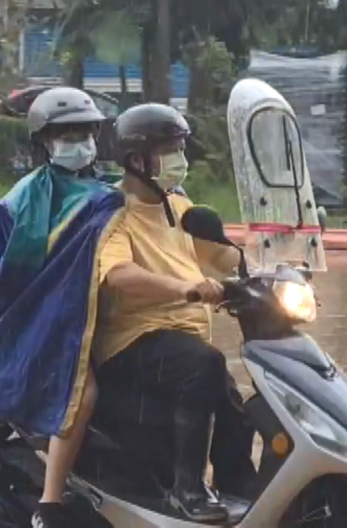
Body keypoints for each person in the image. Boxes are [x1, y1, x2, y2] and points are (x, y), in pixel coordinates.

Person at [0, 86, 112, 528]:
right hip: (46, 327)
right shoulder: (23, 201)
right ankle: (50, 503)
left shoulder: (115, 194)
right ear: (43, 142)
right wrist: (21, 315)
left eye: (83, 131)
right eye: (65, 134)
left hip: (103, 318)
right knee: (83, 391)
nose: (77, 141)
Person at [91, 103, 257, 522]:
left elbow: (221, 255)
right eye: (170, 149)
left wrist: (266, 273)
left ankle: (241, 488)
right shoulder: (115, 213)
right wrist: (185, 288)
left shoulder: (178, 209)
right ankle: (187, 490)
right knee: (206, 364)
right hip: (131, 342)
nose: (179, 159)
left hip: (177, 345)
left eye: (181, 148)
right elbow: (118, 275)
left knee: (235, 396)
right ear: (136, 159)